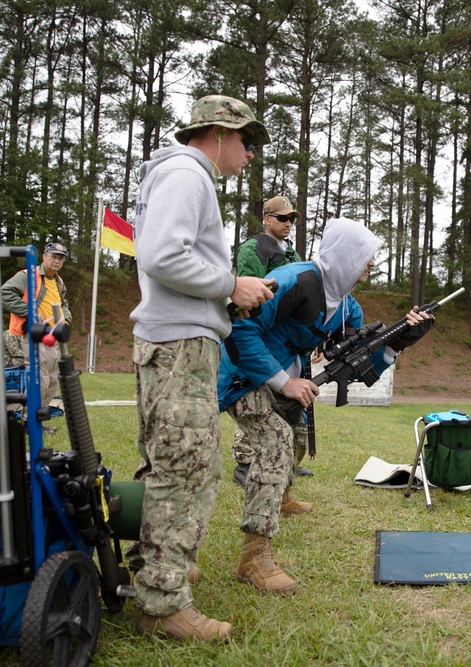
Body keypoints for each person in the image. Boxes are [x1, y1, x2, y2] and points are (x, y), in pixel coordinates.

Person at [217, 217, 434, 595]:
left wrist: (398, 343)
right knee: (275, 443)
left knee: (297, 436)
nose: (371, 264)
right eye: (366, 256)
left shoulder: (348, 308)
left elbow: (360, 362)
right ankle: (254, 555)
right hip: (241, 374)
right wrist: (285, 381)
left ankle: (278, 498)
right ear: (347, 255)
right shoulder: (294, 280)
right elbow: (239, 328)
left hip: (287, 376)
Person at [127, 94, 275, 643]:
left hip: (178, 340)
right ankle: (163, 603)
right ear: (216, 134)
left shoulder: (181, 177)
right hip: (180, 345)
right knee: (187, 466)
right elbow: (162, 256)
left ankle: (158, 569)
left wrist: (224, 297)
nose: (250, 153)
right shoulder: (189, 174)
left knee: (174, 463)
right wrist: (229, 285)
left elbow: (169, 258)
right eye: (246, 141)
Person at [231, 195, 313, 487]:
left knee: (280, 401)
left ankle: (284, 460)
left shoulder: (291, 252)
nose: (288, 223)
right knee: (256, 395)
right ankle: (245, 463)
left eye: (292, 219)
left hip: (286, 337)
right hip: (262, 333)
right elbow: (251, 295)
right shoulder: (253, 248)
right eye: (282, 218)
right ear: (267, 219)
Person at [1, 242, 72, 433]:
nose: (57, 261)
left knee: (53, 380)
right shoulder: (27, 275)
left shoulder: (59, 281)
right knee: (40, 379)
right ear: (44, 257)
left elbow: (63, 304)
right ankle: (28, 422)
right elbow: (5, 294)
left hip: (54, 337)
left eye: (60, 258)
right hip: (36, 336)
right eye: (53, 256)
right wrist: (31, 311)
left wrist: (66, 320)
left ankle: (36, 421)